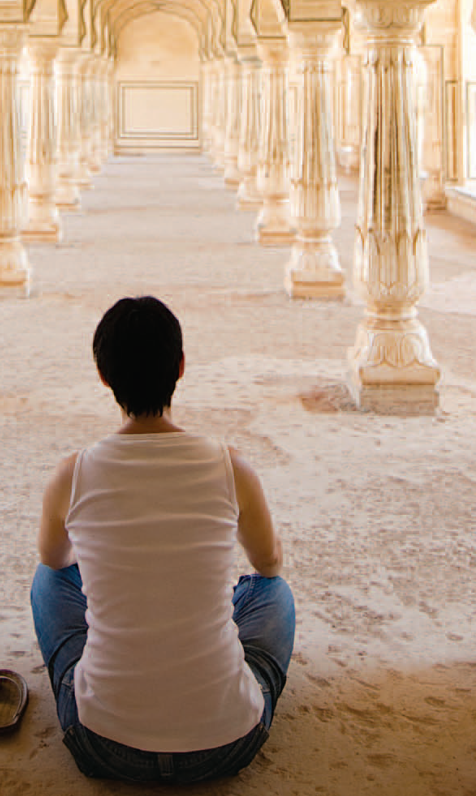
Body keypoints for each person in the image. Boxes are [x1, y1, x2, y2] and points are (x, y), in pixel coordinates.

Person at [31, 295, 296, 783]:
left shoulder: (73, 473)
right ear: (180, 366)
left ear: (104, 376)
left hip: (101, 744)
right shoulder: (229, 465)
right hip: (228, 742)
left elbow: (53, 558)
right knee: (272, 594)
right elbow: (269, 564)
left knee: (48, 583)